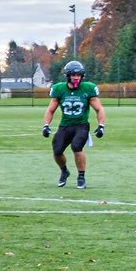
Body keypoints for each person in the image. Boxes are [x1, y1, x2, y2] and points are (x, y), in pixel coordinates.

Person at [42, 61, 106, 189]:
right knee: (57, 150)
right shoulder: (59, 89)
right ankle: (64, 171)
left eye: (78, 75)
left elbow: (99, 109)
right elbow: (50, 109)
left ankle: (81, 177)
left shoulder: (87, 88)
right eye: (73, 75)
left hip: (81, 125)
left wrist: (101, 126)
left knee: (77, 147)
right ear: (68, 76)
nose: (76, 77)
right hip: (65, 125)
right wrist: (46, 125)